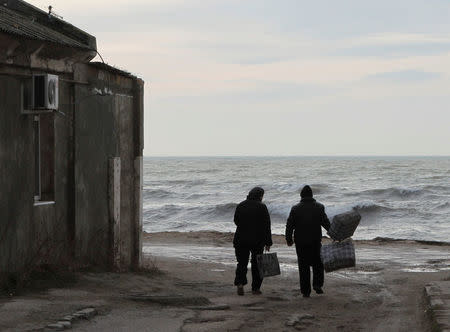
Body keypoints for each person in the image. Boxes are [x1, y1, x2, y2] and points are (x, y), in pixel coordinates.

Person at [285, 185, 330, 298]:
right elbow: (326, 223)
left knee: (303, 266)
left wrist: (289, 239)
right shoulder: (319, 207)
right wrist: (335, 234)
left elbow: (289, 225)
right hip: (315, 240)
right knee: (318, 264)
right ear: (312, 195)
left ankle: (306, 291)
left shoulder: (295, 208)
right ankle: (317, 285)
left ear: (301, 196)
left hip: (301, 242)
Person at [233, 187, 272, 296]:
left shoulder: (241, 205)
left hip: (241, 239)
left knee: (242, 263)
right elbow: (266, 225)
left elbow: (236, 220)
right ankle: (255, 288)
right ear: (260, 196)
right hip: (257, 240)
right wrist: (268, 242)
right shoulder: (262, 207)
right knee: (257, 264)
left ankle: (240, 283)